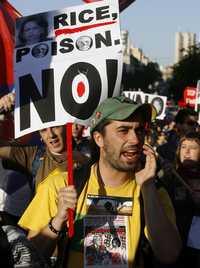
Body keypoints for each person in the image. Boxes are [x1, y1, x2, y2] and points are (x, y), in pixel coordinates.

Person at [18, 96, 182, 267]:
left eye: (139, 130)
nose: (135, 140)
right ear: (99, 139)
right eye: (123, 130)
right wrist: (57, 221)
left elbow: (169, 255)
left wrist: (148, 188)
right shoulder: (60, 185)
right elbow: (29, 257)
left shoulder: (153, 191)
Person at [161, 132, 200, 268]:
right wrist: (164, 177)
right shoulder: (172, 175)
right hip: (174, 243)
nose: (187, 152)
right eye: (183, 147)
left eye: (193, 148)